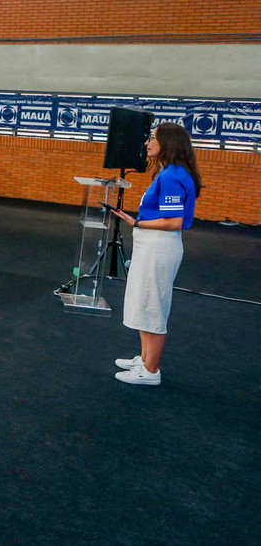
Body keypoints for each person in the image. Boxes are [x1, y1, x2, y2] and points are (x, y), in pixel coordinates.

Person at [108, 122, 201, 386]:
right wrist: (133, 220)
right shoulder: (168, 172)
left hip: (160, 247)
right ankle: (145, 358)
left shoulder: (172, 176)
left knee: (153, 306)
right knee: (144, 301)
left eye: (152, 139)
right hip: (151, 246)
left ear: (168, 143)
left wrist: (135, 223)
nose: (147, 143)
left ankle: (151, 371)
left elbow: (173, 221)